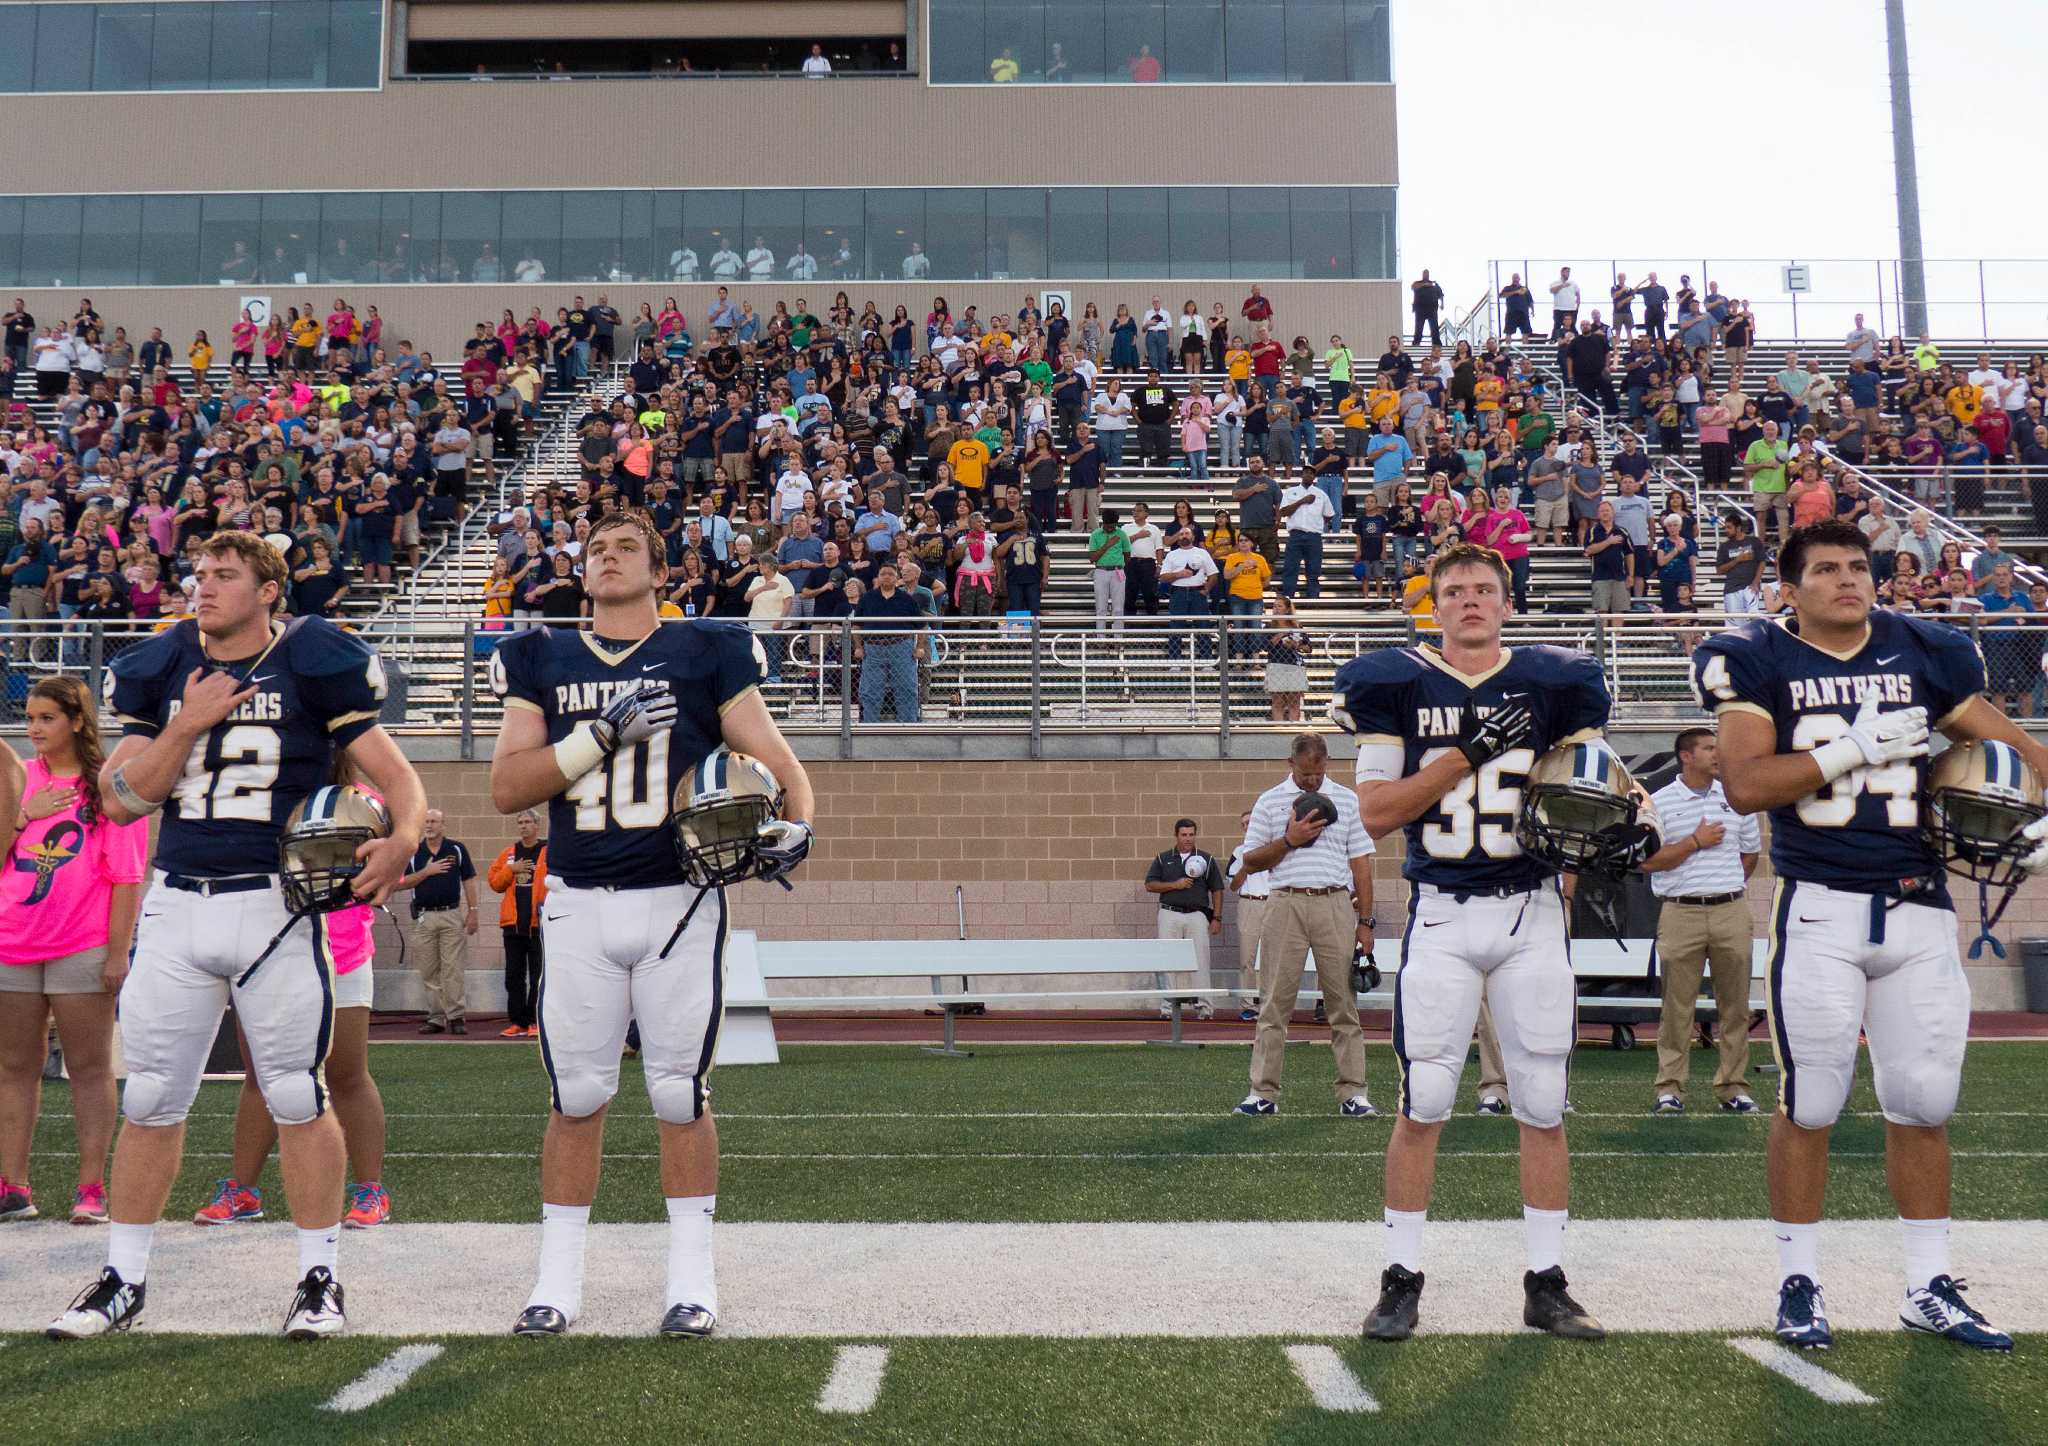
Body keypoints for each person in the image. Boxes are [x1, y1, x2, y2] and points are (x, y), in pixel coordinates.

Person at [47, 531, 423, 1341]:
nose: (204, 585)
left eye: (224, 575)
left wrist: (405, 835)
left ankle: (319, 1278)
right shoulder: (162, 665)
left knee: (295, 1090)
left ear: (268, 592)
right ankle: (123, 1277)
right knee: (149, 1094)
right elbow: (120, 800)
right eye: (200, 571)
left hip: (276, 905)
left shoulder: (315, 658)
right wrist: (187, 724)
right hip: (178, 902)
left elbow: (399, 780)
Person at [1696, 518, 2047, 1353]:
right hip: (1820, 904)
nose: (1848, 580)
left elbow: (2021, 750)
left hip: (1921, 905)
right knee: (1812, 1100)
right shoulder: (1757, 657)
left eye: (1859, 567)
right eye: (1825, 570)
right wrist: (1852, 746)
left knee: (1925, 1103)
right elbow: (1744, 786)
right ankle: (1799, 1279)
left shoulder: (1924, 650)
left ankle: (1928, 1284)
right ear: (1790, 587)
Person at [489, 511, 814, 1340]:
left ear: (660, 569)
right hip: (577, 900)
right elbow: (508, 787)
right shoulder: (542, 656)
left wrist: (798, 825)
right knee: (578, 1095)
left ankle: (692, 1281)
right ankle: (555, 1282)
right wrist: (598, 734)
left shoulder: (703, 649)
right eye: (595, 548)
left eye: (626, 546)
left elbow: (782, 767)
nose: (606, 557)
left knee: (678, 1092)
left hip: (680, 898)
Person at [1335, 541, 1646, 1343]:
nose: (1470, 600)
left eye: (1484, 589)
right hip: (1440, 911)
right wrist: (1467, 755)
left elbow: (1601, 776)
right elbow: (1375, 812)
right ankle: (1400, 1279)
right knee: (1426, 1097)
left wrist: (1632, 817)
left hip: (1531, 908)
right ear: (1433, 606)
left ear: (1507, 602)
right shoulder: (1396, 683)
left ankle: (1547, 1283)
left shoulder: (1555, 682)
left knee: (1542, 1100)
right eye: (1455, 590)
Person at [193, 760, 396, 1232]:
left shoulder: (362, 801)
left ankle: (370, 1189)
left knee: (346, 1073)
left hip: (340, 948)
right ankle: (243, 1189)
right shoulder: (262, 800)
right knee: (260, 1077)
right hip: (270, 946)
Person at [0, 680, 146, 1227]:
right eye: (30, 717)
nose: (34, 729)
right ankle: (12, 1187)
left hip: (81, 946)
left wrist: (116, 954)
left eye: (47, 718)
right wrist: (21, 814)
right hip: (12, 941)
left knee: (88, 1069)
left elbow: (126, 878)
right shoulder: (15, 779)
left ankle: (91, 1188)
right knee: (14, 1068)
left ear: (77, 721)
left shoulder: (106, 785)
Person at [1234, 733, 1375, 1117]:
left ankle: (1353, 1093)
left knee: (1343, 1005)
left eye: (1318, 772)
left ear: (1327, 763)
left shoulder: (1347, 799)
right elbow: (1251, 861)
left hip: (1334, 903)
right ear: (1290, 763)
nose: (1312, 780)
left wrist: (1366, 922)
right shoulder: (1269, 800)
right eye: (1305, 772)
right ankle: (1262, 1093)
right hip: (1285, 903)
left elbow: (1361, 863)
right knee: (1274, 1005)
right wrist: (1289, 840)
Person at [1640, 729, 1761, 1115]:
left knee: (1735, 1007)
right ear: (1685, 757)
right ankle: (1669, 1089)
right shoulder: (1658, 803)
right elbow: (1647, 862)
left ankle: (1733, 1087)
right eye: (1709, 748)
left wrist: (1724, 886)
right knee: (1676, 1007)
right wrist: (1694, 842)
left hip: (1730, 909)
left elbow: (1750, 855)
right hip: (1680, 912)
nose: (1717, 754)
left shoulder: (1737, 799)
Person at [400, 810, 479, 1035]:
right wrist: (427, 871)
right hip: (423, 919)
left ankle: (456, 1017)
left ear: (443, 825)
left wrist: (473, 912)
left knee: (452, 968)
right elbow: (402, 883)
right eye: (426, 821)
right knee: (429, 970)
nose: (429, 825)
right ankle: (436, 1018)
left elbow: (469, 880)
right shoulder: (415, 852)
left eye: (434, 821)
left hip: (451, 916)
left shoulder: (456, 849)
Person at [1144, 820, 1222, 1021]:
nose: (1188, 839)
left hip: (1197, 915)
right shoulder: (1163, 858)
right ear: (1176, 835)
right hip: (1170, 914)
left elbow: (1217, 889)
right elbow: (1150, 885)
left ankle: (1205, 1007)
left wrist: (1217, 917)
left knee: (1201, 960)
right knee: (1168, 960)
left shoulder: (1207, 858)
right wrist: (1175, 885)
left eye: (1191, 835)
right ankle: (1168, 1007)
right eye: (1184, 835)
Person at [489, 810, 548, 1039]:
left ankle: (535, 1021)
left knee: (537, 975)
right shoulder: (509, 854)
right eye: (520, 822)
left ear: (537, 825)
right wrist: (510, 870)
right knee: (513, 976)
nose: (523, 826)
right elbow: (495, 883)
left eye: (527, 822)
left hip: (538, 924)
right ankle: (517, 1022)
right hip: (513, 925)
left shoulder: (547, 851)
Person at [1226, 808, 1270, 1023]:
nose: (1248, 826)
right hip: (1249, 903)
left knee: (1271, 959)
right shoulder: (1238, 852)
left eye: (1251, 822)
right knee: (1247, 959)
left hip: (1272, 904)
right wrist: (1246, 865)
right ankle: (1248, 1005)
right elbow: (1233, 885)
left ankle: (1269, 1005)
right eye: (1244, 823)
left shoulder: (1273, 848)